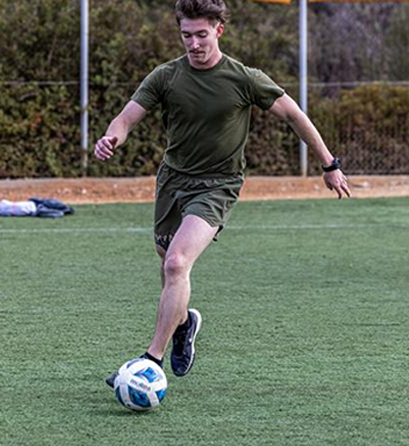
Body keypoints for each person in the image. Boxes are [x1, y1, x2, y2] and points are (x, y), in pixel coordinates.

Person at [95, 0, 350, 387]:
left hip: (218, 185)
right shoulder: (166, 76)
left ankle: (151, 361)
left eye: (201, 34)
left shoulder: (244, 79)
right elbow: (127, 117)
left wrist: (329, 164)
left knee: (177, 264)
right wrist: (112, 138)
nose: (194, 44)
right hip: (173, 183)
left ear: (219, 31)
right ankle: (185, 323)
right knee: (168, 269)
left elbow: (296, 116)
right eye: (186, 36)